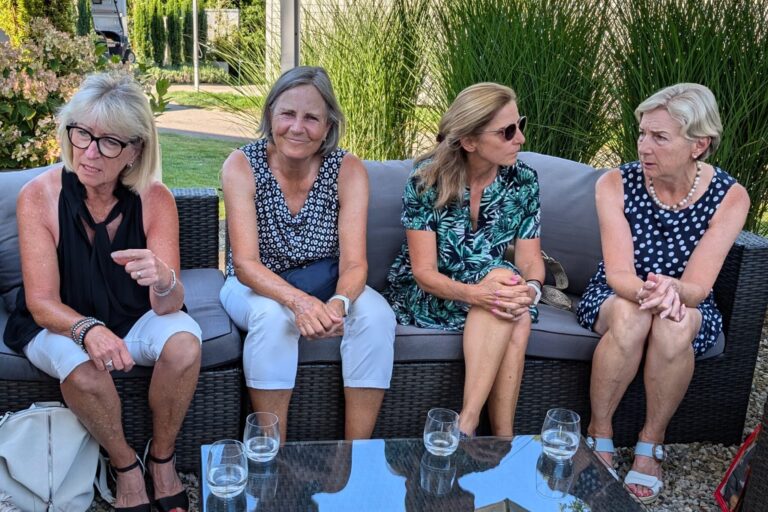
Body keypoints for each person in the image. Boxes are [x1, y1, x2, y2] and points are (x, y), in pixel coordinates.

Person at [3, 72, 202, 512]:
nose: (89, 152)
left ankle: (162, 458)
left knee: (186, 344)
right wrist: (88, 329)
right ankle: (124, 465)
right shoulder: (39, 197)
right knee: (83, 367)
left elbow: (169, 305)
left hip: (133, 316)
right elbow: (41, 302)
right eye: (82, 134)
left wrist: (164, 279)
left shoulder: (154, 198)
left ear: (135, 150)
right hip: (58, 321)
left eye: (109, 142)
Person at [576, 83, 750, 504]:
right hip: (619, 294)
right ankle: (600, 432)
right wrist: (652, 293)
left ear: (699, 145)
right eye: (642, 133)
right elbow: (619, 273)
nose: (643, 146)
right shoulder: (615, 183)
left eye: (659, 137)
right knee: (632, 315)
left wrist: (673, 293)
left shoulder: (730, 197)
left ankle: (651, 442)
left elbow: (699, 286)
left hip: (687, 300)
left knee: (674, 325)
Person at [219, 66, 395, 443]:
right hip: (254, 284)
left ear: (328, 126)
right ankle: (273, 451)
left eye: (311, 118)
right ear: (270, 115)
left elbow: (354, 264)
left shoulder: (347, 169)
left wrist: (339, 304)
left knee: (378, 316)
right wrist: (299, 302)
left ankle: (355, 452)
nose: (297, 128)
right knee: (273, 319)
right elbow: (246, 265)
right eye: (287, 114)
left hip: (326, 279)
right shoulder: (242, 165)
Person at [385, 82, 544, 438]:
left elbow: (532, 262)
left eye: (520, 125)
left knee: (509, 295)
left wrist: (531, 291)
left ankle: (469, 427)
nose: (520, 138)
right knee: (505, 297)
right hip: (434, 293)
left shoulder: (524, 181)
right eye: (507, 131)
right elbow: (424, 273)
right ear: (470, 141)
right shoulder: (426, 180)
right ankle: (499, 438)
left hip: (497, 292)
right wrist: (479, 294)